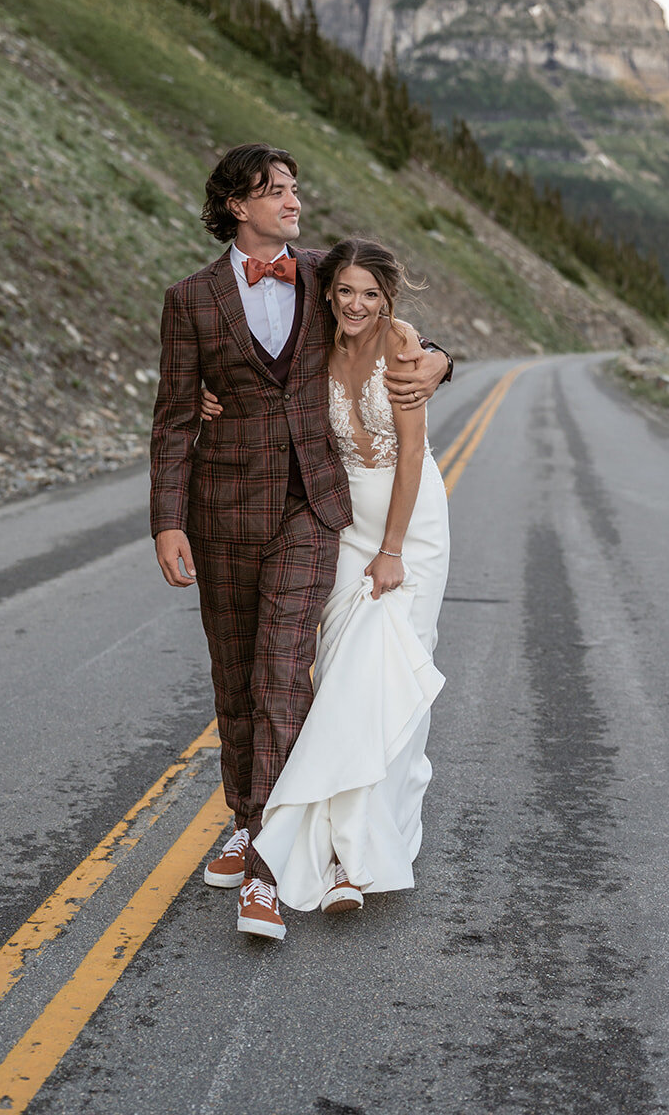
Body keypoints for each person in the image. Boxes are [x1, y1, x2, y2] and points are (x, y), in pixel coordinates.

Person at [149, 144, 451, 942]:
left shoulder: (324, 273)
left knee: (284, 666)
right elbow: (174, 416)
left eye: (292, 186)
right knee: (235, 672)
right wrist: (167, 519)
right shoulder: (189, 299)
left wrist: (442, 362)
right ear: (234, 207)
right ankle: (252, 818)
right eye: (274, 191)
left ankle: (271, 861)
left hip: (319, 510)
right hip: (222, 509)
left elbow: (388, 319)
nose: (292, 200)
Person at [251, 239, 450, 914]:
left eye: (369, 293)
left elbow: (413, 456)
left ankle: (353, 859)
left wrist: (392, 550)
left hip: (409, 528)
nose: (356, 304)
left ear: (387, 298)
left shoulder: (401, 343)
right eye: (345, 292)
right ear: (328, 294)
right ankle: (340, 846)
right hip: (344, 524)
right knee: (342, 679)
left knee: (390, 679)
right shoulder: (316, 347)